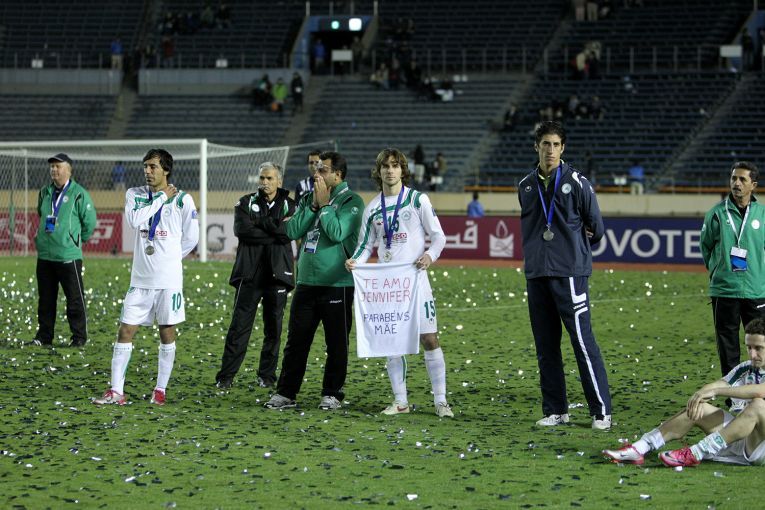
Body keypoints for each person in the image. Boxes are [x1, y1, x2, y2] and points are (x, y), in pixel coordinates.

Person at [345, 148, 454, 418]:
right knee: (391, 341)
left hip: (416, 281)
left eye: (395, 165)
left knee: (429, 338)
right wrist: (355, 261)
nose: (390, 170)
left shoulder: (417, 200)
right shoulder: (372, 208)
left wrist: (429, 256)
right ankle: (400, 401)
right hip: (388, 286)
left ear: (402, 170)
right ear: (379, 171)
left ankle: (441, 401)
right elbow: (365, 245)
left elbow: (438, 236)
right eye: (385, 166)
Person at [517, 121, 612, 430]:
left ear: (563, 148)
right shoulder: (526, 185)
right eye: (546, 144)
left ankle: (601, 412)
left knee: (582, 342)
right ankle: (556, 410)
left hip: (570, 273)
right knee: (546, 346)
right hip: (537, 273)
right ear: (536, 146)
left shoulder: (578, 182)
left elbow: (596, 228)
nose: (551, 150)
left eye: (556, 145)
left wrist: (573, 250)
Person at [94, 149, 199, 406]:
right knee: (125, 330)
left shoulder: (183, 200)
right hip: (140, 280)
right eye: (146, 167)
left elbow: (191, 238)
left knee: (167, 332)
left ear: (166, 170)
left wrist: (170, 258)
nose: (148, 171)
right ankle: (116, 391)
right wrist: (162, 197)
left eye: (153, 167)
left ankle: (160, 390)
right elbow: (134, 220)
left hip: (168, 281)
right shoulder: (135, 194)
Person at [265, 151, 364, 411]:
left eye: (323, 170)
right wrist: (313, 206)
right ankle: (286, 393)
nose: (316, 174)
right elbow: (292, 230)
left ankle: (332, 394)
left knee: (337, 344)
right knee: (296, 343)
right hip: (307, 281)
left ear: (337, 175)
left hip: (338, 284)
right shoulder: (309, 198)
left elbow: (337, 232)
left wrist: (326, 206)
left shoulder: (352, 201)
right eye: (316, 169)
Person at [603, 317, 765, 467]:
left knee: (758, 406)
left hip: (761, 447)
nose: (752, 354)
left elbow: (760, 391)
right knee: (700, 407)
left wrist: (716, 391)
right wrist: (699, 396)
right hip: (745, 437)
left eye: (758, 348)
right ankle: (640, 448)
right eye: (749, 347)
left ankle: (696, 452)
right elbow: (716, 385)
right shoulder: (746, 368)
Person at [215, 163, 295, 390]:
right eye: (262, 178)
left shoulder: (290, 205)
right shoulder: (245, 202)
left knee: (274, 329)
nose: (265, 182)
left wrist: (260, 223)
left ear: (279, 181)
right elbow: (242, 230)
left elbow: (288, 233)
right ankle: (226, 376)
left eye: (269, 178)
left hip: (278, 275)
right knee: (239, 327)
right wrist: (275, 229)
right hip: (249, 274)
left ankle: (267, 376)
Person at [700, 161, 765, 401]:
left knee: (761, 345)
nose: (736, 183)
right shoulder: (717, 213)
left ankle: (760, 394)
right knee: (728, 349)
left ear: (753, 185)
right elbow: (706, 247)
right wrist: (719, 272)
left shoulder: (762, 214)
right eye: (733, 178)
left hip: (756, 290)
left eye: (742, 179)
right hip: (725, 291)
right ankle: (734, 399)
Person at [32, 153, 97, 348]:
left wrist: (75, 241)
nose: (53, 169)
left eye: (58, 166)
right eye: (52, 166)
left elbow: (89, 222)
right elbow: (41, 213)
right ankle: (44, 337)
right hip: (45, 255)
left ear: (68, 170)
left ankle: (78, 338)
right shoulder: (44, 192)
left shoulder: (79, 193)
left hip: (68, 255)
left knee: (75, 299)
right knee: (45, 300)